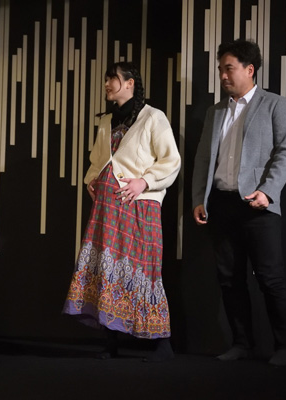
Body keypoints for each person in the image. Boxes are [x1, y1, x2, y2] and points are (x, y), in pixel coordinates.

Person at [63, 62, 181, 362]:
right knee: (107, 267)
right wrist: (93, 179)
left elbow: (171, 160)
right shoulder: (107, 120)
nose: (107, 83)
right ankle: (110, 340)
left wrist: (145, 182)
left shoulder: (153, 117)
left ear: (130, 83)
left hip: (138, 204)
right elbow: (98, 158)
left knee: (144, 269)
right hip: (108, 203)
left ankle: (162, 343)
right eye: (106, 79)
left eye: (112, 78)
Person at [191, 39, 286, 366]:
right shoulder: (215, 112)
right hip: (221, 204)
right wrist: (199, 198)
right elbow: (203, 159)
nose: (223, 75)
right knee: (229, 279)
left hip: (258, 204)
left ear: (250, 70)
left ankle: (285, 347)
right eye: (220, 69)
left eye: (229, 68)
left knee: (270, 278)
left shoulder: (274, 104)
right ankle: (241, 344)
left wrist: (268, 191)